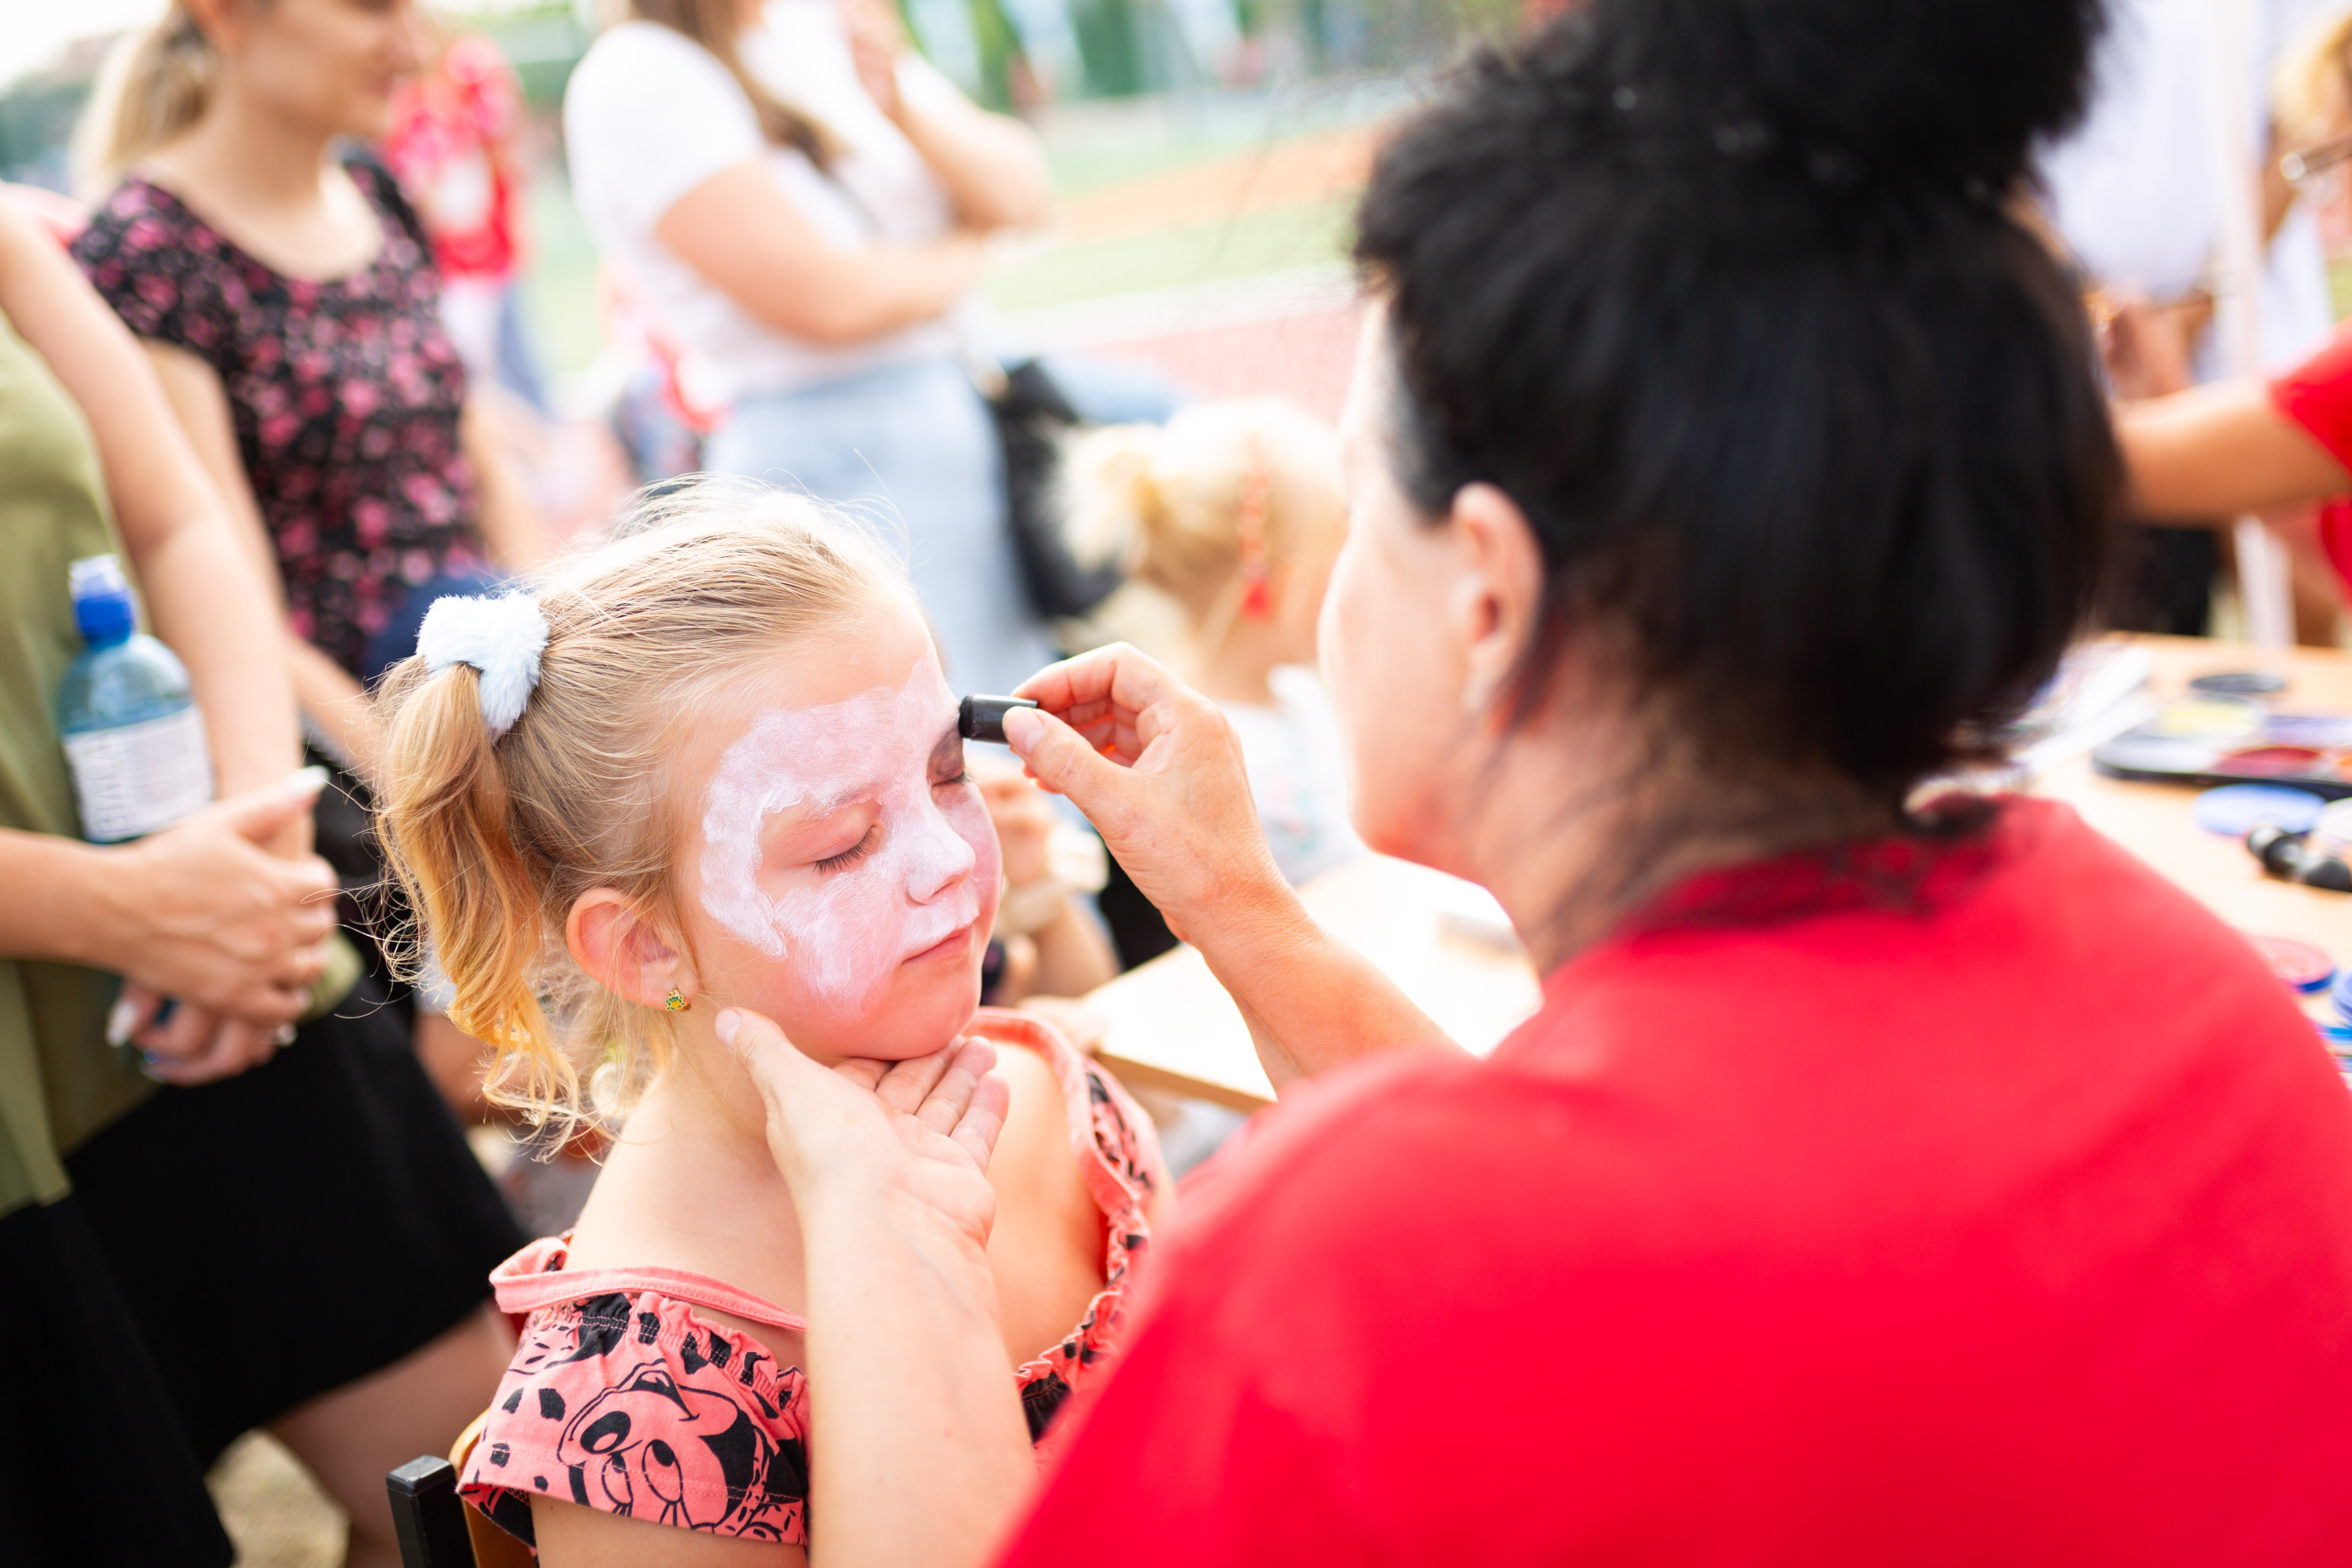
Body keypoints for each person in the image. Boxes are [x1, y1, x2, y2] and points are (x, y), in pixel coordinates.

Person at [715, 2, 2352, 1562]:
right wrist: (1234, 903)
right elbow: (1619, 1209)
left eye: (1364, 498)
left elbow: (1506, 1247)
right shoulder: (2180, 975)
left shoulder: (1343, 1283)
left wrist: (889, 1240)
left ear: (1487, 598)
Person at [370, 480, 1166, 1558]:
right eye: (840, 845)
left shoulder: (1061, 1105)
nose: (946, 861)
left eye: (947, 775)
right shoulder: (640, 1401)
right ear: (645, 948)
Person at [0, 196, 515, 1568]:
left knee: (488, 1502)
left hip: (229, 979)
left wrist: (250, 851)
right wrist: (124, 909)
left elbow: (178, 520)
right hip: (46, 1072)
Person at [69, 0, 547, 783]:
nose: (412, 45)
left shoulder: (374, 188)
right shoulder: (149, 256)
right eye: (371, 8)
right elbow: (227, 596)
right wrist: (421, 787)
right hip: (350, 739)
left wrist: (559, 650)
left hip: (482, 665)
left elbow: (477, 465)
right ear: (226, 14)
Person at [561, 0, 1055, 696]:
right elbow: (831, 302)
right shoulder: (639, 73)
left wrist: (901, 111)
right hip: (822, 455)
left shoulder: (815, 26)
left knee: (1010, 699)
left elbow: (1022, 192)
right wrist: (971, 251)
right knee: (929, 717)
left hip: (947, 414)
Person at [1069, 399, 1363, 886]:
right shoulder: (1248, 774)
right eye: (1342, 547)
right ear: (1281, 584)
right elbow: (1367, 892)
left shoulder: (1293, 693)